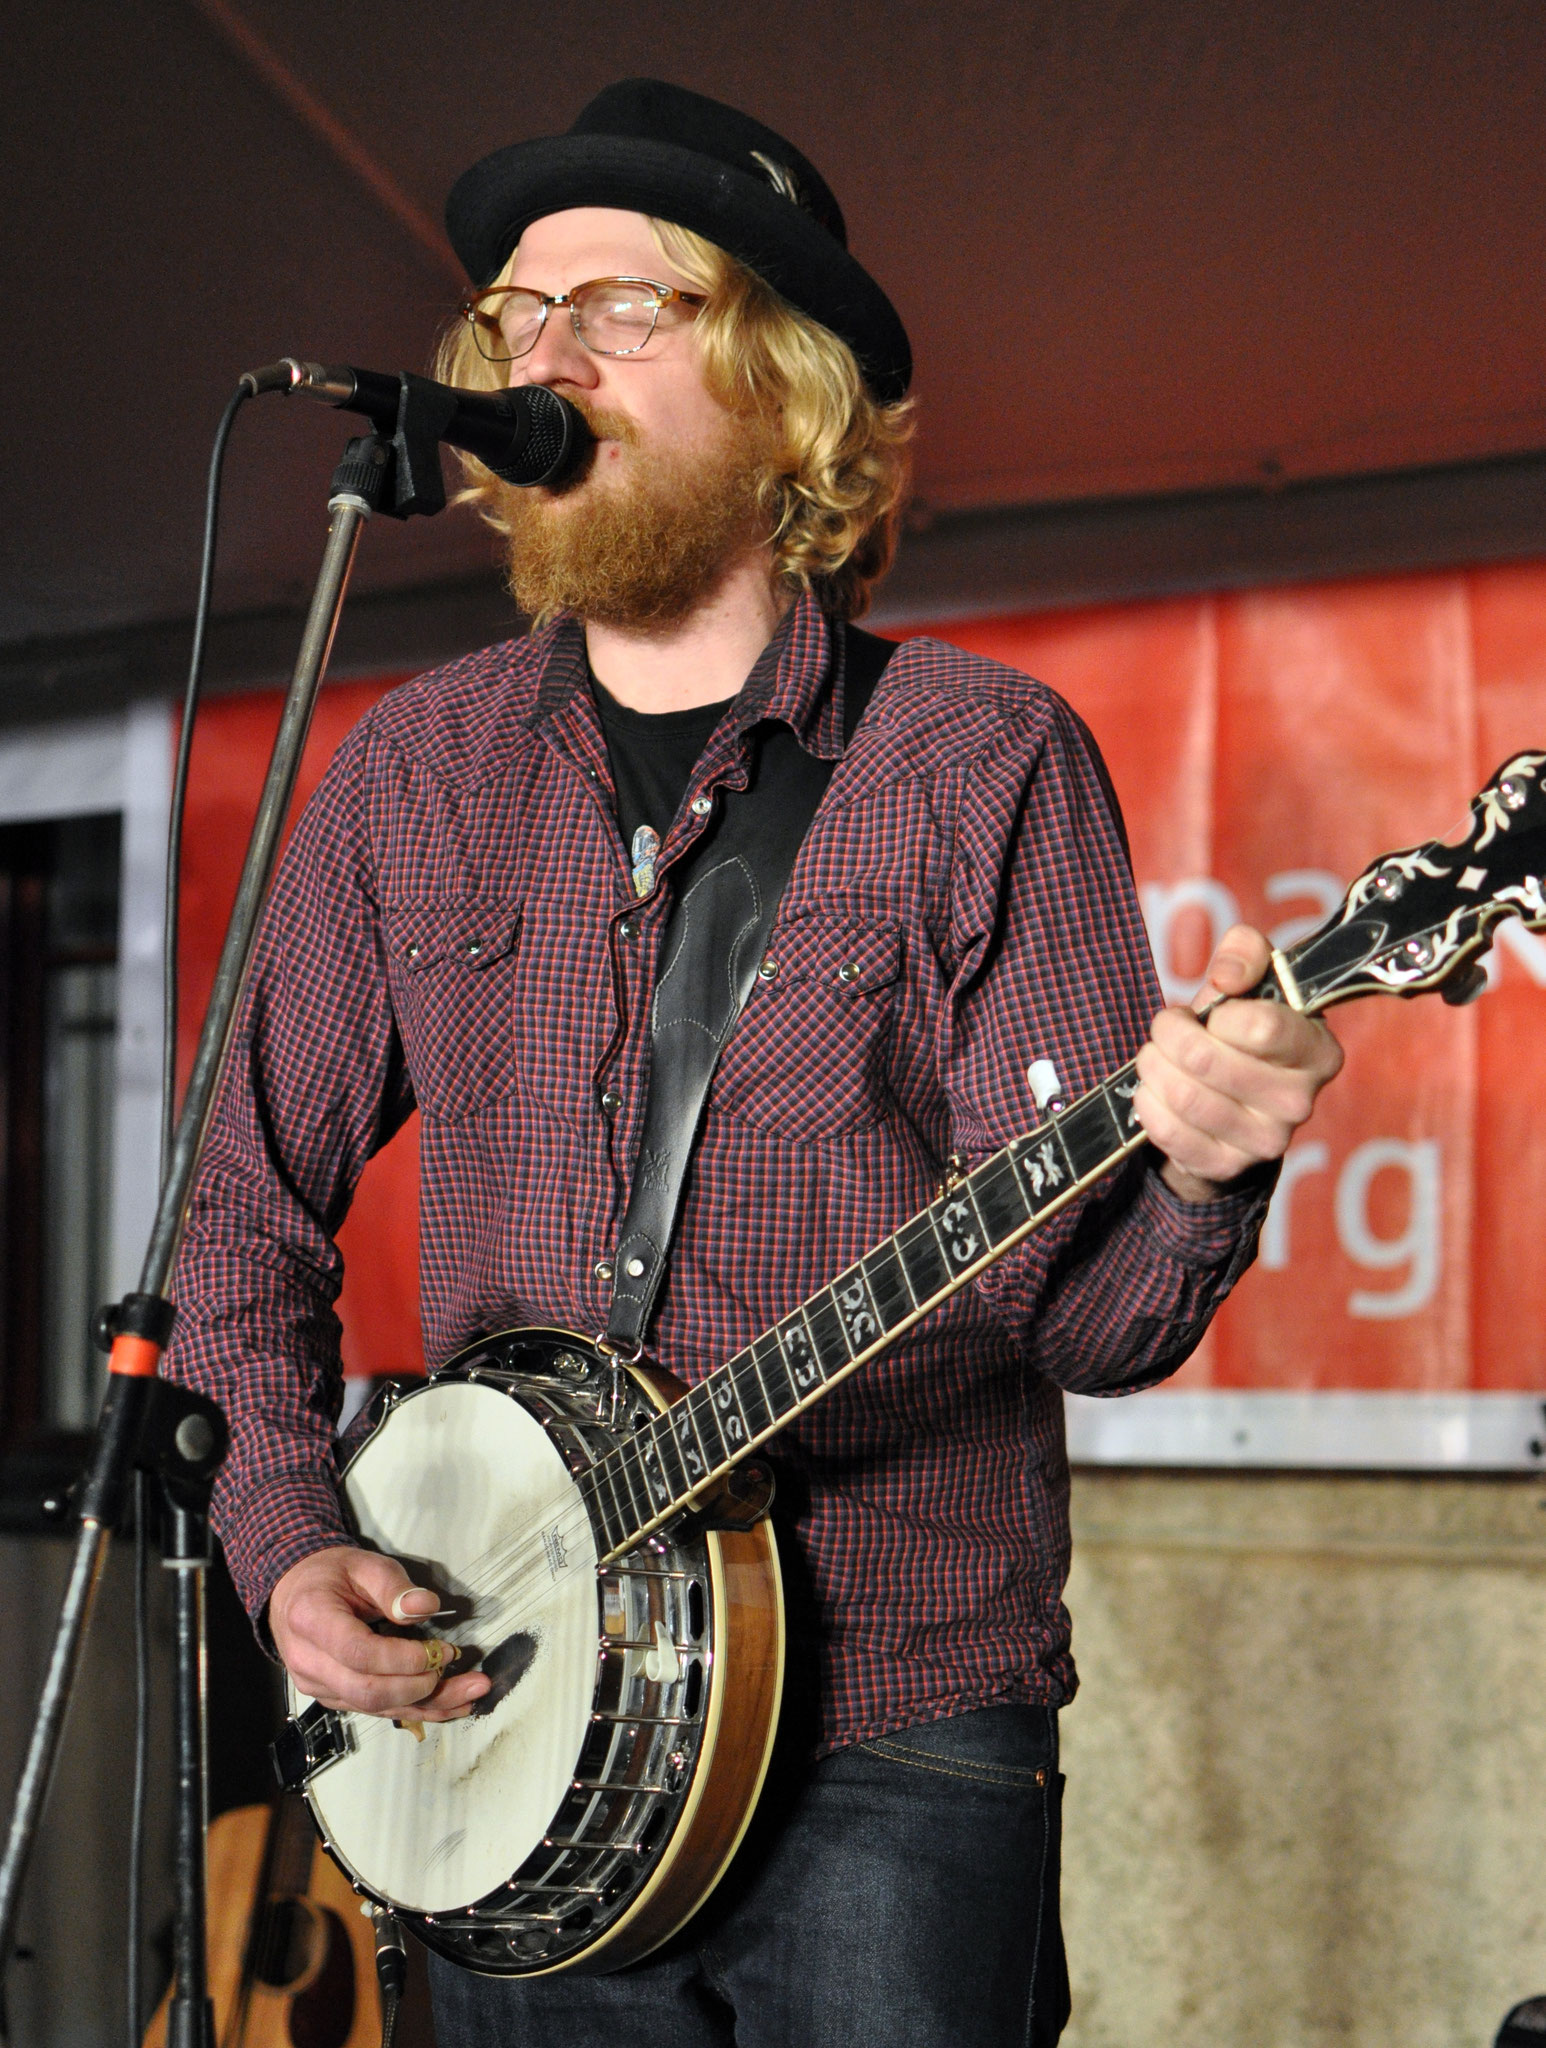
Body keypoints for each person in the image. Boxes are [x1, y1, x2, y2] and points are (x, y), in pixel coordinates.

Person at [168, 79, 1343, 2047]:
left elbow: (1087, 1319)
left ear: (779, 384)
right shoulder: (414, 772)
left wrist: (1203, 1168)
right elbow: (236, 1212)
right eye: (514, 319)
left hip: (891, 1724)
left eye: (618, 307)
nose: (539, 355)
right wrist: (285, 1543)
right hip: (509, 1719)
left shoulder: (982, 759)